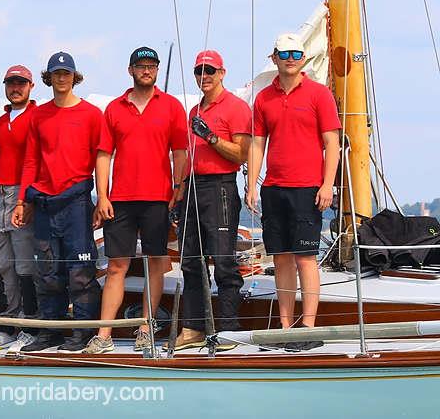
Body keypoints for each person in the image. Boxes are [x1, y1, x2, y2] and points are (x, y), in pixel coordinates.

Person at [85, 47, 187, 354]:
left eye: (151, 66)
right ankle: (104, 335)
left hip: (158, 198)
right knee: (117, 266)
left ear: (156, 70)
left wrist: (178, 189)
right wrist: (102, 195)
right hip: (121, 199)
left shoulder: (171, 107)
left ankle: (146, 327)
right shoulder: (114, 108)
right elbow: (104, 155)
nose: (147, 70)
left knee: (156, 263)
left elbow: (180, 153)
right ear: (130, 70)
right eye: (141, 66)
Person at [245, 33, 341, 330]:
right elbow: (258, 143)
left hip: (307, 188)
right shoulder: (264, 99)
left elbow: (332, 142)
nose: (290, 60)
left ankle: (309, 325)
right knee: (282, 259)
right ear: (274, 57)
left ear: (304, 59)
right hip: (274, 188)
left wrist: (327, 185)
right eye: (284, 54)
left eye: (296, 55)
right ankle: (285, 327)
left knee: (305, 258)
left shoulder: (319, 94)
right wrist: (251, 185)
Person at [13, 52, 104, 353]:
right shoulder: (38, 116)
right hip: (43, 204)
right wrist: (22, 201)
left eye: (66, 73)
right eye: (56, 73)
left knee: (80, 271)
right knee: (47, 271)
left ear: (74, 76)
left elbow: (101, 158)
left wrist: (102, 198)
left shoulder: (91, 114)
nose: (61, 78)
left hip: (76, 202)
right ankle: (49, 331)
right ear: (48, 78)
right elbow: (30, 161)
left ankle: (81, 331)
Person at [174, 50, 251, 350]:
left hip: (220, 186)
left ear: (222, 73)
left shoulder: (236, 107)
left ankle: (229, 328)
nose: (203, 76)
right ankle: (193, 328)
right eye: (198, 71)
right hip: (193, 186)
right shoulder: (194, 111)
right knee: (190, 261)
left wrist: (212, 138)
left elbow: (242, 153)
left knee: (222, 261)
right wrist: (178, 193)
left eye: (209, 70)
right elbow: (185, 157)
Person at [0, 65, 40, 352]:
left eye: (21, 83)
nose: (15, 87)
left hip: (22, 195)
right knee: (1, 261)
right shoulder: (0, 121)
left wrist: (25, 200)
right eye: (10, 83)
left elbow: (35, 162)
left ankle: (29, 322)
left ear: (31, 86)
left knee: (24, 262)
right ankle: (7, 322)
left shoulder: (36, 118)